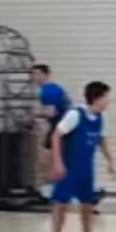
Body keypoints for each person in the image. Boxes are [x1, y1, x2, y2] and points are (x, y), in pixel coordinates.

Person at [50, 81, 116, 232]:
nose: (109, 101)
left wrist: (110, 161)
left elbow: (100, 139)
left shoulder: (99, 118)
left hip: (86, 168)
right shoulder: (75, 115)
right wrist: (57, 162)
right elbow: (56, 135)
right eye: (107, 97)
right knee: (61, 203)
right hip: (69, 167)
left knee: (87, 204)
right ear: (97, 98)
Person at [34, 64, 72, 196]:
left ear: (46, 75)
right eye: (34, 74)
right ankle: (53, 188)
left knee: (47, 160)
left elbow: (50, 112)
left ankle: (54, 190)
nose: (35, 77)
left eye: (38, 74)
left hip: (61, 128)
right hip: (58, 126)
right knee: (47, 159)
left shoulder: (49, 90)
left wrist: (34, 115)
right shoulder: (49, 89)